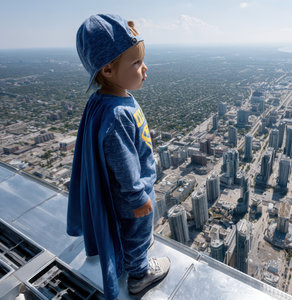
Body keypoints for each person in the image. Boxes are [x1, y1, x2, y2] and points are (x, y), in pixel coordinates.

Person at [67, 14, 170, 299]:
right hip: (131, 194)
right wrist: (138, 197)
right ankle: (139, 274)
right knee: (137, 231)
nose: (145, 68)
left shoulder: (107, 99)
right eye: (136, 63)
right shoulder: (117, 114)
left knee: (133, 231)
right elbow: (123, 162)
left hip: (126, 191)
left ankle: (132, 254)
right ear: (108, 70)